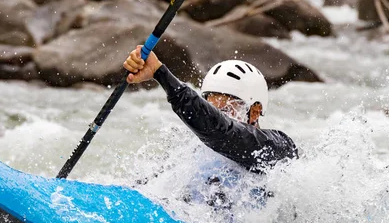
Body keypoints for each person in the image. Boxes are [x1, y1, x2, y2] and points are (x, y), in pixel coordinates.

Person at [123, 46, 298, 209]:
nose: (219, 115)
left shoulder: (277, 148)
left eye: (227, 109)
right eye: (212, 108)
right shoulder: (193, 152)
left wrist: (160, 72)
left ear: (255, 111)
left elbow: (222, 131)